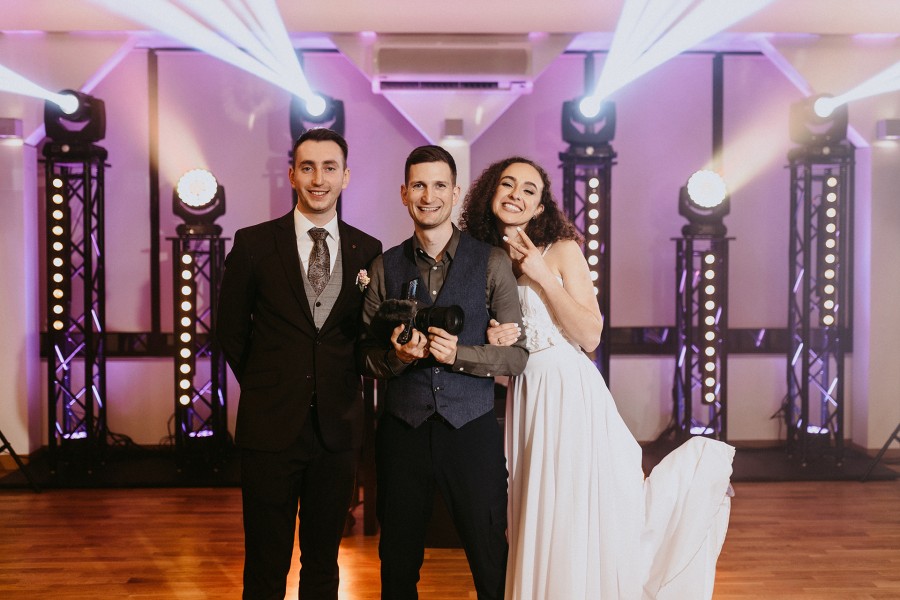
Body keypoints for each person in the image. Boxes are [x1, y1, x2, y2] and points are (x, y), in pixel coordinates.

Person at [459, 156, 735, 600]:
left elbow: (590, 335)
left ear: (540, 207)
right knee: (533, 508)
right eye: (507, 184)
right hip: (526, 395)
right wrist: (494, 336)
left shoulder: (561, 250)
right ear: (491, 193)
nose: (516, 195)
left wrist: (543, 276)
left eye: (529, 190)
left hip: (568, 393)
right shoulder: (486, 260)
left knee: (568, 508)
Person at [216, 127, 382, 600]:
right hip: (269, 427)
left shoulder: (367, 250)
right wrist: (267, 384)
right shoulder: (254, 243)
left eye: (329, 168)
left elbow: (365, 336)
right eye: (307, 167)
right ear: (292, 175)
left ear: (345, 176)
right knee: (265, 563)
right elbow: (230, 330)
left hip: (337, 429)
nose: (318, 179)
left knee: (324, 563)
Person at [358, 145, 529, 600]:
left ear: (455, 193)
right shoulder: (384, 266)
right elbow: (364, 356)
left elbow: (517, 358)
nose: (428, 196)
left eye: (439, 185)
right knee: (397, 564)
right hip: (402, 433)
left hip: (471, 430)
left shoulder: (491, 262)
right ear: (404, 193)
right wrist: (399, 358)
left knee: (490, 558)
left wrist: (460, 355)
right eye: (418, 185)